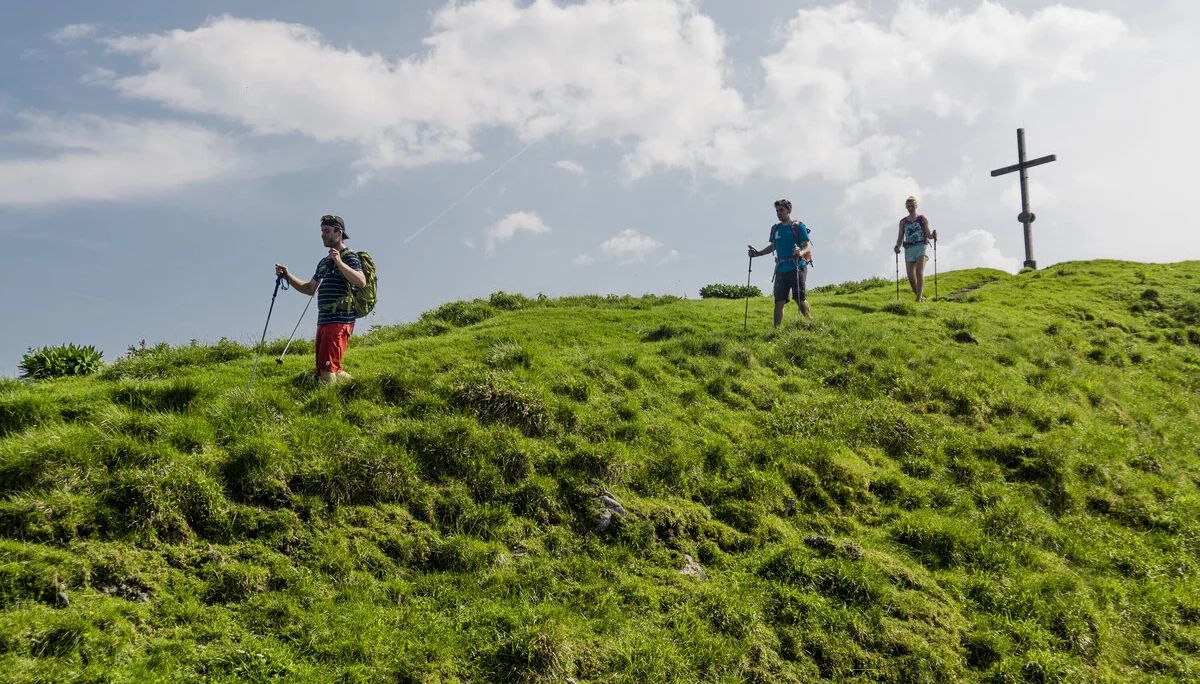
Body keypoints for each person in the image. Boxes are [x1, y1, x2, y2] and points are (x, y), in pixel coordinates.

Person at [274, 215, 366, 384]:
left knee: (326, 370)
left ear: (339, 233)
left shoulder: (349, 256)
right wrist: (287, 276)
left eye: (327, 231)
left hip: (339, 319)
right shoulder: (323, 262)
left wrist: (339, 262)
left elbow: (361, 281)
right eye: (322, 231)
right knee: (332, 368)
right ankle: (359, 386)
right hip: (323, 320)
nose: (323, 235)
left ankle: (327, 400)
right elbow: (310, 288)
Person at [748, 199, 812, 327]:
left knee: (799, 298)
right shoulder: (775, 229)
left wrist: (800, 252)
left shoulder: (798, 226)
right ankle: (776, 330)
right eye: (777, 211)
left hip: (797, 266)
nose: (779, 213)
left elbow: (807, 246)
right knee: (779, 301)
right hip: (781, 269)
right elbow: (773, 246)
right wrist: (757, 253)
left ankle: (810, 323)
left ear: (789, 210)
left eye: (781, 210)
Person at [894, 196, 938, 302]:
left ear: (916, 206)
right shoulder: (903, 222)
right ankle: (920, 296)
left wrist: (933, 235)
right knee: (910, 276)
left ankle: (918, 299)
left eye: (912, 206)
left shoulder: (922, 219)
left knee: (919, 271)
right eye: (908, 206)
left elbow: (928, 234)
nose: (910, 208)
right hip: (909, 248)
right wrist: (897, 247)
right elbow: (900, 237)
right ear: (906, 207)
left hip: (921, 246)